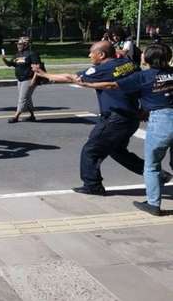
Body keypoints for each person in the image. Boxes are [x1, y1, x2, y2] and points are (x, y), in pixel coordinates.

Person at [35, 41, 170, 196]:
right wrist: (143, 109)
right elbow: (141, 86)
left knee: (91, 150)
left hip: (115, 118)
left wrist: (45, 75)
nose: (89, 55)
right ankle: (158, 175)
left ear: (101, 55)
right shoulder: (128, 63)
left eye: (91, 52)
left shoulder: (100, 70)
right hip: (131, 117)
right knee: (117, 151)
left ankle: (93, 185)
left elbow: (71, 77)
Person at [76, 43, 173, 215]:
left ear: (148, 58)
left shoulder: (143, 76)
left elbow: (113, 85)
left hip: (160, 121)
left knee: (152, 165)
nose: (141, 55)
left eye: (143, 53)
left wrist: (86, 84)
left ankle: (153, 204)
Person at [2, 37, 41, 123]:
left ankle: (16, 116)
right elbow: (10, 64)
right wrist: (4, 59)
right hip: (20, 80)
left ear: (26, 44)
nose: (18, 45)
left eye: (20, 44)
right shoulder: (18, 54)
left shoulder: (32, 54)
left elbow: (37, 68)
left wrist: (34, 80)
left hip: (29, 79)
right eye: (18, 44)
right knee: (27, 98)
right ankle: (32, 115)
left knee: (22, 98)